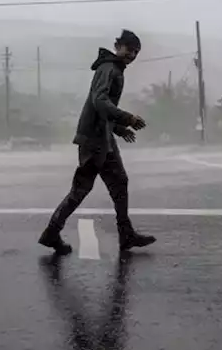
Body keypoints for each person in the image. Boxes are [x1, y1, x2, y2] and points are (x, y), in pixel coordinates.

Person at [39, 30, 156, 255]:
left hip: (103, 136)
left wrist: (119, 129)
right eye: (129, 49)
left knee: (119, 182)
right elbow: (99, 101)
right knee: (81, 189)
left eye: (136, 52)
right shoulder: (108, 69)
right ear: (118, 46)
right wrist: (127, 118)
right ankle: (52, 232)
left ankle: (126, 234)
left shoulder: (114, 69)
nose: (132, 55)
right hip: (94, 140)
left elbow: (101, 110)